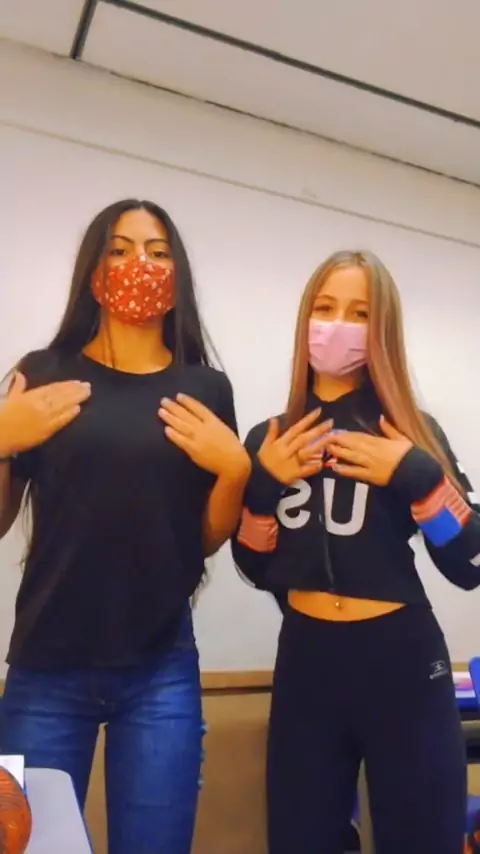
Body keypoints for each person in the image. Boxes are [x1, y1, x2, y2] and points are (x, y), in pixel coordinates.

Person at [0, 199, 251, 854]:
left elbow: (201, 540)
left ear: (177, 275)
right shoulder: (42, 372)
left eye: (157, 251)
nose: (139, 262)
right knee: (26, 847)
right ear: (93, 271)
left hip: (161, 669)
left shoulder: (207, 389)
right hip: (44, 667)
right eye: (119, 248)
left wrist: (235, 473)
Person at [232, 249, 480, 854]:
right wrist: (262, 488)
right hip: (307, 662)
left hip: (401, 661)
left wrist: (419, 477)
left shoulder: (409, 430)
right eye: (325, 307)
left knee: (422, 838)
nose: (338, 323)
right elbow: (256, 568)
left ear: (381, 329)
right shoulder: (270, 436)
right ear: (305, 319)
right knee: (301, 839)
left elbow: (469, 565)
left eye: (360, 312)